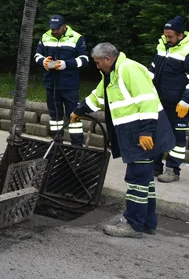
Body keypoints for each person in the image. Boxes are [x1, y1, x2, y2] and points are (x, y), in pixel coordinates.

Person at [71, 42, 174, 238]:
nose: (97, 66)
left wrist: (146, 131)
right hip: (136, 133)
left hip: (143, 134)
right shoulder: (111, 74)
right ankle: (147, 223)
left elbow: (148, 100)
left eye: (98, 62)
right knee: (144, 180)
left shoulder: (129, 69)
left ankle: (133, 225)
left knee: (136, 179)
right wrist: (79, 110)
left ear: (108, 59)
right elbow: (98, 97)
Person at [150, 16, 189, 183]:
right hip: (159, 101)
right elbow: (153, 71)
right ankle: (155, 167)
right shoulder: (163, 46)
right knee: (157, 133)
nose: (167, 39)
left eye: (170, 37)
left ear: (180, 35)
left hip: (178, 104)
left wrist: (186, 101)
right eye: (165, 36)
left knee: (177, 138)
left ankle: (173, 170)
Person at [34, 14, 89, 145]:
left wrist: (66, 64)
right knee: (55, 118)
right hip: (51, 84)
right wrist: (43, 61)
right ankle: (57, 143)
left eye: (57, 29)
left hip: (69, 85)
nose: (54, 31)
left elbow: (85, 59)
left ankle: (77, 146)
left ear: (64, 27)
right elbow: (37, 55)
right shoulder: (45, 36)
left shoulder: (77, 38)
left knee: (74, 116)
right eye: (52, 29)